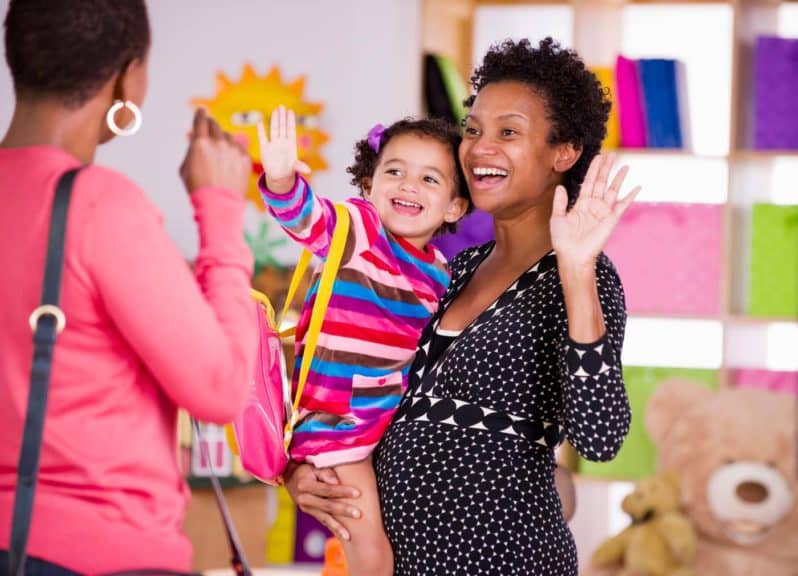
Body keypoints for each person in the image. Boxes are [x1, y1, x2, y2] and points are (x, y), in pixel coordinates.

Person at [285, 37, 638, 575]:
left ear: (563, 152)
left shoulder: (583, 277)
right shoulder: (454, 269)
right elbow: (372, 389)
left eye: (509, 132)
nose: (480, 147)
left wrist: (576, 270)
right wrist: (304, 473)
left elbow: (599, 434)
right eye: (473, 130)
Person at [0, 1, 256, 573]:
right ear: (128, 75)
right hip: (97, 552)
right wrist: (219, 212)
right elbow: (219, 389)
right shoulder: (99, 205)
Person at [258, 105, 470, 575]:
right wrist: (280, 182)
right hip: (342, 424)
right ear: (369, 185)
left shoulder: (440, 273)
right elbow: (308, 219)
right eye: (394, 171)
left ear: (455, 206)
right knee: (371, 553)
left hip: (385, 422)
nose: (408, 184)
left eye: (430, 179)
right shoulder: (358, 229)